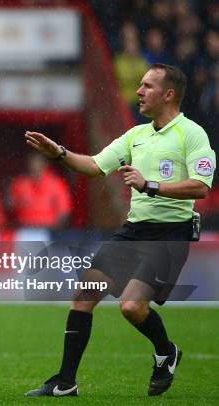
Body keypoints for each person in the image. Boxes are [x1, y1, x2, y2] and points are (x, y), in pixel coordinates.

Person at [24, 64, 215, 397]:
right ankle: (65, 383)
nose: (139, 92)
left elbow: (200, 187)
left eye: (147, 86)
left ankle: (165, 351)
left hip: (170, 235)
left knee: (131, 307)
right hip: (133, 232)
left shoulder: (192, 133)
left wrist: (150, 185)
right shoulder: (136, 135)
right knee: (84, 294)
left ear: (168, 94)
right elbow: (96, 166)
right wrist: (60, 153)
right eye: (139, 85)